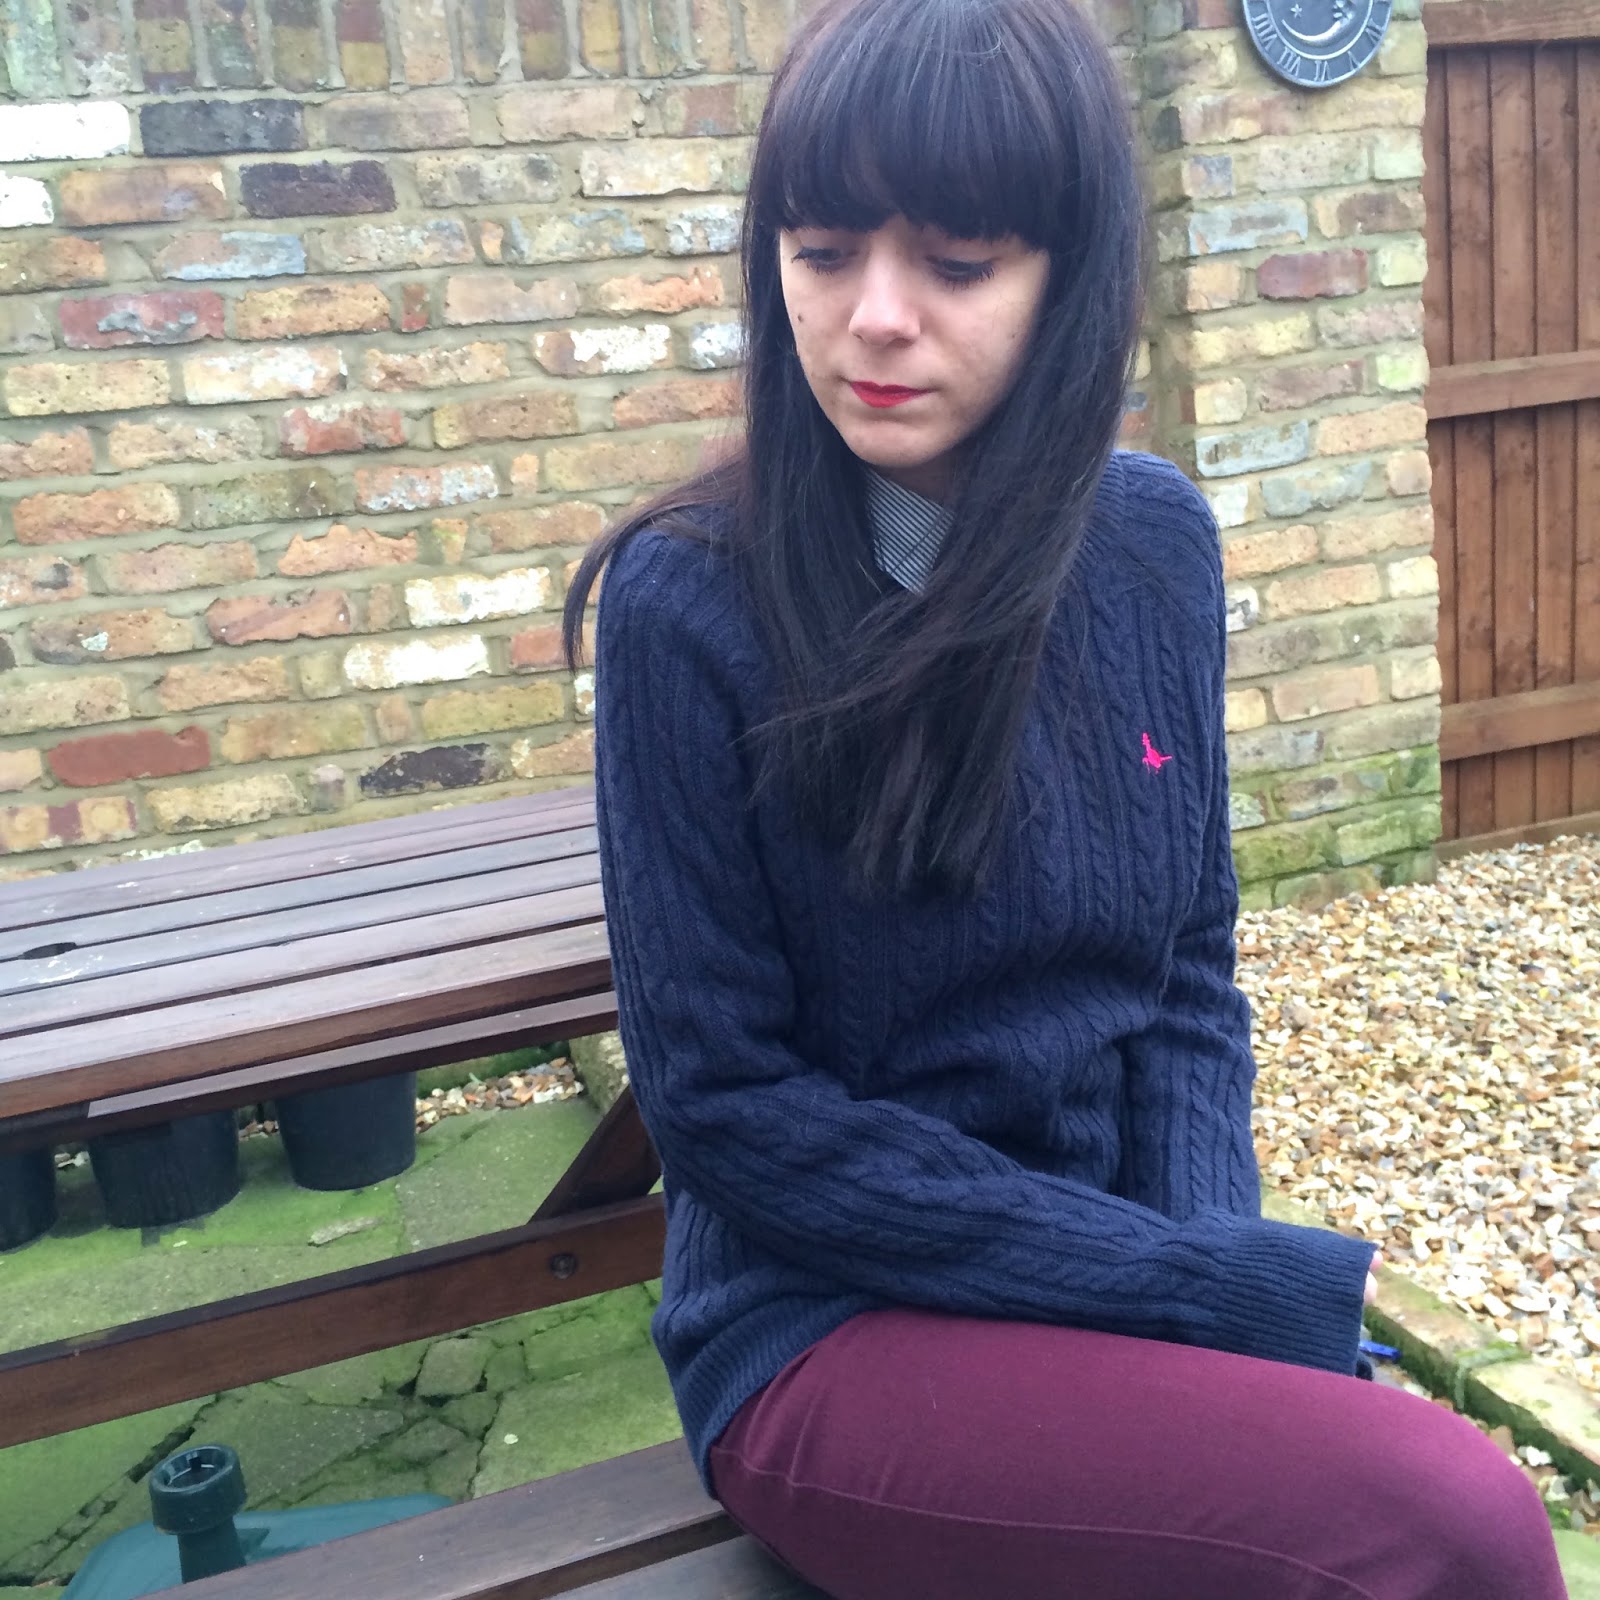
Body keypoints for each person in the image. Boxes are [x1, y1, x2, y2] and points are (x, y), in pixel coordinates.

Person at [562, 0, 1568, 1594]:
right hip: (828, 1322)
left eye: (957, 265)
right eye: (822, 253)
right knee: (1458, 1524)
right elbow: (726, 1109)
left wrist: (1198, 1279)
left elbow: (1183, 982)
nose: (873, 318)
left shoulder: (1153, 546)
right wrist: (1181, 1289)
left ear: (1070, 274)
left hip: (1108, 1268)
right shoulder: (687, 605)